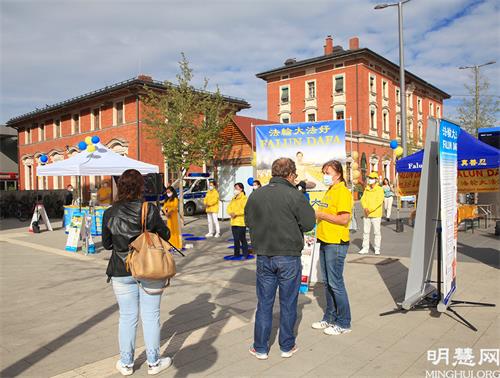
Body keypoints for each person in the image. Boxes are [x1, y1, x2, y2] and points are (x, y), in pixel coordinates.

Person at [102, 169, 172, 376]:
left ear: (120, 186)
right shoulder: (148, 209)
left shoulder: (109, 212)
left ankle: (126, 363)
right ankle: (153, 362)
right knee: (151, 316)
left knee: (127, 317)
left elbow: (107, 245)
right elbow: (165, 234)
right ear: (141, 186)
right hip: (148, 268)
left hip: (120, 269)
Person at [245, 158, 315, 359]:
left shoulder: (256, 195)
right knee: (288, 302)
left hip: (264, 255)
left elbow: (249, 221)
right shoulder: (295, 195)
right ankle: (286, 346)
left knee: (264, 303)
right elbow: (309, 223)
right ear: (291, 174)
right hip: (288, 256)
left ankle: (260, 347)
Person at [313, 160, 353, 336]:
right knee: (328, 283)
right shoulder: (329, 191)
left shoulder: (342, 192)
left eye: (327, 172)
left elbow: (344, 219)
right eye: (324, 172)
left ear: (338, 173)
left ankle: (344, 322)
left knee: (336, 283)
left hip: (336, 242)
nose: (325, 176)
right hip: (324, 239)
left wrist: (321, 214)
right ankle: (329, 317)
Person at [359, 172, 385, 255]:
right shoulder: (366, 189)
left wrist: (369, 209)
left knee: (377, 232)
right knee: (366, 232)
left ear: (376, 180)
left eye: (372, 178)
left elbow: (379, 201)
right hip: (367, 214)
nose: (370, 180)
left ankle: (377, 248)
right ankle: (365, 248)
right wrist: (365, 208)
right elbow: (363, 199)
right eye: (369, 178)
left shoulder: (379, 189)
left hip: (376, 214)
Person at [227, 183, 249, 259]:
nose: (235, 190)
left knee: (242, 238)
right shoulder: (234, 198)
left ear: (241, 189)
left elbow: (244, 209)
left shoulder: (244, 198)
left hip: (241, 222)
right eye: (235, 188)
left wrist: (236, 213)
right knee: (235, 239)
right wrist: (230, 213)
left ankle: (245, 254)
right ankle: (236, 254)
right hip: (234, 222)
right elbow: (229, 207)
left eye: (236, 188)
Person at [162, 186, 183, 251]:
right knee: (170, 231)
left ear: (172, 192)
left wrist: (169, 212)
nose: (168, 193)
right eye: (167, 192)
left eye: (169, 192)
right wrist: (165, 213)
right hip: (169, 218)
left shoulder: (175, 199)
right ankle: (171, 244)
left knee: (175, 231)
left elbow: (174, 207)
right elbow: (163, 207)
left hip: (174, 217)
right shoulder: (167, 200)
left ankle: (177, 245)